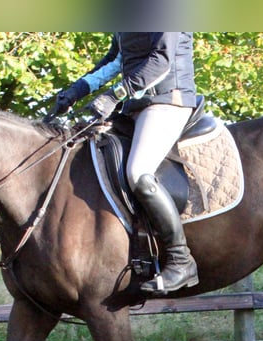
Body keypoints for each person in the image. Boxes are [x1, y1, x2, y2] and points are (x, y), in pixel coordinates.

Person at [46, 33, 199, 295]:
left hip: (168, 100)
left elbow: (161, 61)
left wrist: (115, 93)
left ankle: (181, 260)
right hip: (137, 106)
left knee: (138, 172)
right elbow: (117, 60)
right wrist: (77, 89)